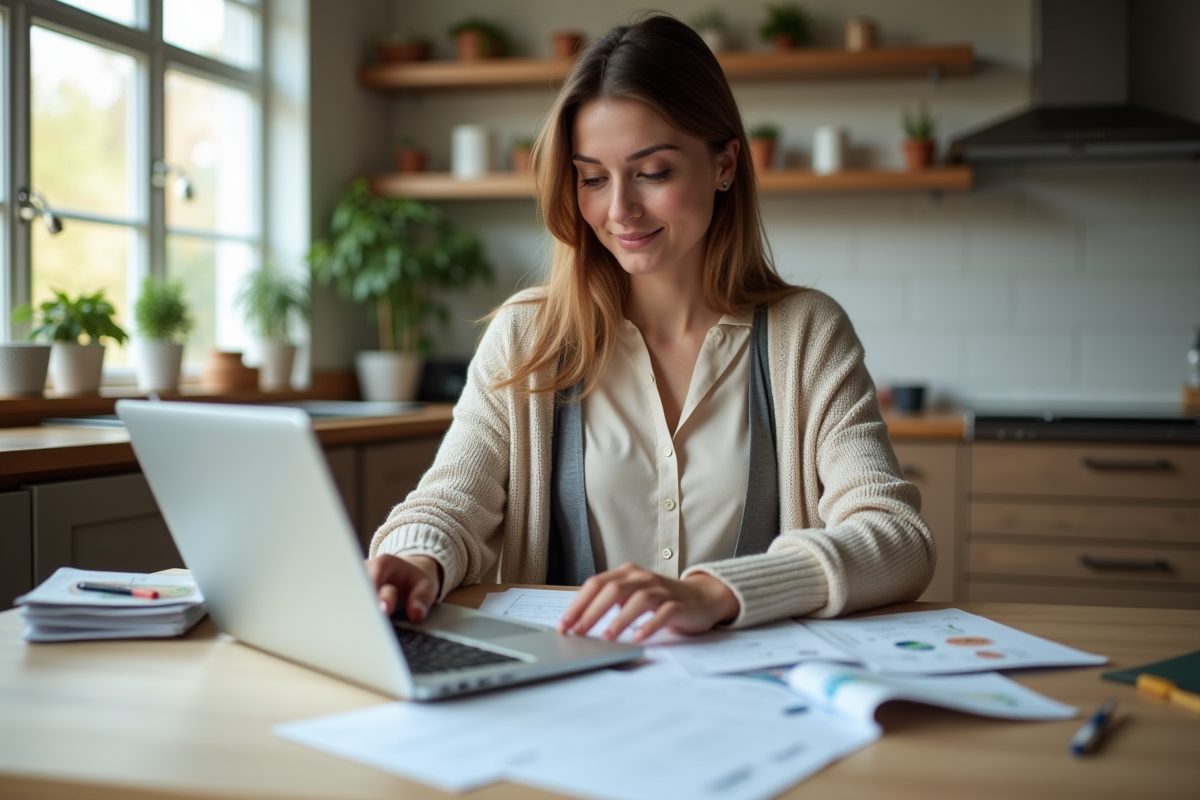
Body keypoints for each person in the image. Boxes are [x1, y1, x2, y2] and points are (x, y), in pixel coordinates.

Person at [366, 14, 934, 643]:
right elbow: (450, 505)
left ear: (724, 165)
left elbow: (896, 537)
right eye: (592, 178)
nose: (619, 210)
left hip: (757, 697)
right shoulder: (528, 335)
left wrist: (714, 593)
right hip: (574, 693)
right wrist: (417, 559)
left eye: (654, 172)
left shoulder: (807, 334)